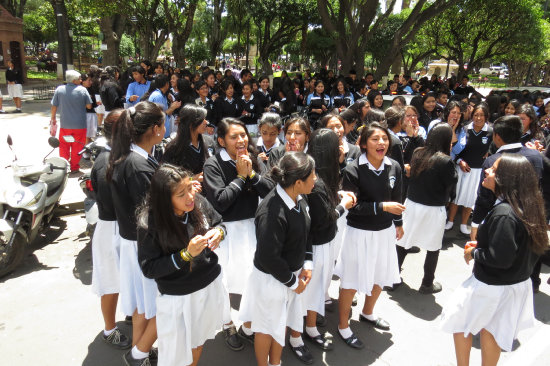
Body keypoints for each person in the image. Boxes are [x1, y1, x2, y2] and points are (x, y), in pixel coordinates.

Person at [441, 154, 549, 366]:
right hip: (515, 284)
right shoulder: (528, 207)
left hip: (492, 285)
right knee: (491, 331)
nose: (488, 171)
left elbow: (499, 258)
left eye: (495, 169)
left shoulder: (505, 213)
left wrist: (474, 253)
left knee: (459, 320)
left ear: (507, 178)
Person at [138, 164, 230, 366]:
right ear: (165, 199)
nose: (190, 196)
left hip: (208, 286)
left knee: (197, 344)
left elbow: (219, 222)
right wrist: (185, 255)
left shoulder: (197, 203)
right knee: (176, 355)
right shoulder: (150, 223)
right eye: (181, 193)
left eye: (190, 187)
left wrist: (219, 233)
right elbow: (149, 268)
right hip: (178, 298)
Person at [202, 118, 275, 350]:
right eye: (234, 137)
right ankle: (227, 323)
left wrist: (251, 174)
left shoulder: (252, 160)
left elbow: (270, 191)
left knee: (252, 279)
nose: (241, 140)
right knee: (223, 280)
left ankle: (248, 324)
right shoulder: (213, 165)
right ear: (221, 141)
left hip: (252, 228)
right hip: (225, 232)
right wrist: (241, 177)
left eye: (243, 135)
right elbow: (221, 202)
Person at [239, 152, 316, 366]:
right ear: (299, 182)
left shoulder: (300, 197)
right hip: (271, 282)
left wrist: (307, 264)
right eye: (313, 175)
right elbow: (268, 257)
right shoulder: (272, 212)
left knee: (280, 324)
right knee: (266, 328)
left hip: (289, 278)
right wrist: (293, 283)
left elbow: (306, 234)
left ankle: (275, 362)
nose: (316, 179)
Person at [335, 122, 404, 349]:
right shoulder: (353, 170)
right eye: (375, 139)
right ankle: (343, 325)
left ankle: (367, 312)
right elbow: (353, 206)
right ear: (364, 144)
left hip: (384, 232)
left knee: (380, 275)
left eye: (384, 138)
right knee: (351, 280)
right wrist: (383, 207)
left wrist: (398, 223)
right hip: (359, 233)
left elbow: (398, 197)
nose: (381, 142)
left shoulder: (394, 166)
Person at [107, 101, 165, 366]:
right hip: (144, 246)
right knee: (159, 305)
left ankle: (139, 353)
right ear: (156, 129)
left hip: (134, 243)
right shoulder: (138, 165)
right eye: (164, 123)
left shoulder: (131, 157)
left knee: (142, 305)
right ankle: (138, 353)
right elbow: (153, 215)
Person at [299, 129, 356, 361]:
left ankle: (308, 324)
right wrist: (344, 205)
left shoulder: (319, 175)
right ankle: (306, 330)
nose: (341, 148)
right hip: (318, 244)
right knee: (314, 289)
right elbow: (325, 219)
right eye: (337, 146)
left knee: (317, 288)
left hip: (323, 241)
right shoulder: (317, 182)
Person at [396, 123, 457, 293]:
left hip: (412, 204)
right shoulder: (445, 161)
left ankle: (392, 278)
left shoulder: (418, 153)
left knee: (402, 241)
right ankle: (427, 283)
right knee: (433, 247)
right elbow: (451, 185)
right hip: (434, 208)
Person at [89, 109, 131, 350]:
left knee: (126, 275)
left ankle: (128, 314)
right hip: (112, 228)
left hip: (122, 225)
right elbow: (110, 202)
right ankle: (109, 329)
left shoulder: (121, 155)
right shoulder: (106, 161)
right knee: (110, 281)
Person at [447, 104, 493, 235]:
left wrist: (489, 152)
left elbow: (494, 148)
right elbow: (457, 150)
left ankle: (463, 223)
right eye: (476, 115)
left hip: (478, 171)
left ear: (486, 117)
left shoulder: (490, 132)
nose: (478, 118)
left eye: (481, 115)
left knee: (470, 198)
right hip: (462, 168)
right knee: (456, 196)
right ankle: (450, 221)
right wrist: (460, 161)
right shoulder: (464, 129)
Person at [50, 70, 92, 173]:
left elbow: (54, 105)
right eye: (79, 79)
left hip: (65, 124)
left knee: (64, 145)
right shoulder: (82, 90)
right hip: (80, 124)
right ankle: (74, 167)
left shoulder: (59, 90)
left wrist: (53, 118)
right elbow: (89, 106)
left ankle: (64, 165)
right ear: (74, 80)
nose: (81, 80)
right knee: (77, 146)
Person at [162, 104, 216, 181]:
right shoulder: (174, 148)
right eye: (202, 120)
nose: (206, 122)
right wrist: (192, 179)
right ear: (190, 123)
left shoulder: (209, 142)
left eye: (205, 119)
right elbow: (168, 178)